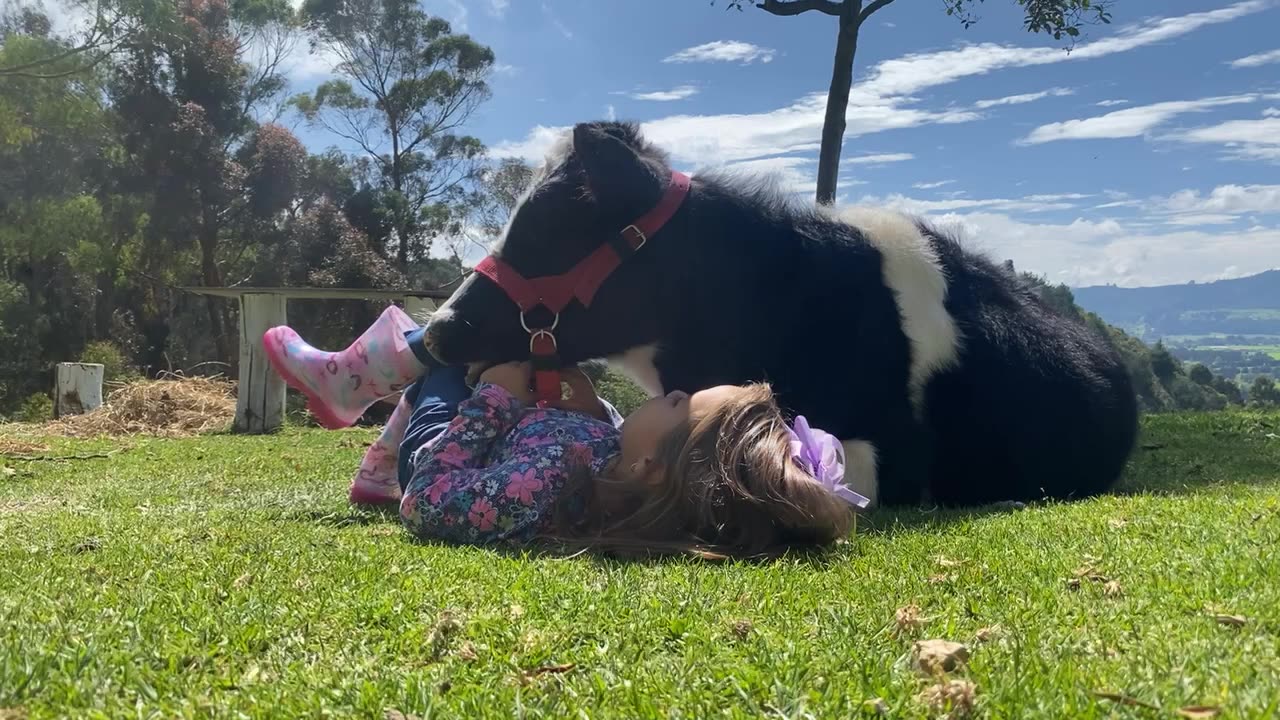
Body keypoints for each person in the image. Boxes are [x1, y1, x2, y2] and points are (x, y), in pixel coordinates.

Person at [263, 305, 867, 557]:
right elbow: (590, 438)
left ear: (649, 467)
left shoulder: (545, 486)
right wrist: (586, 406)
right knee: (477, 341)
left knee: (457, 342)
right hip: (508, 432)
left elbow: (428, 501)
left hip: (442, 452)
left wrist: (496, 397)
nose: (666, 392)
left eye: (678, 400)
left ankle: (352, 392)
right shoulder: (616, 468)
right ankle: (370, 467)